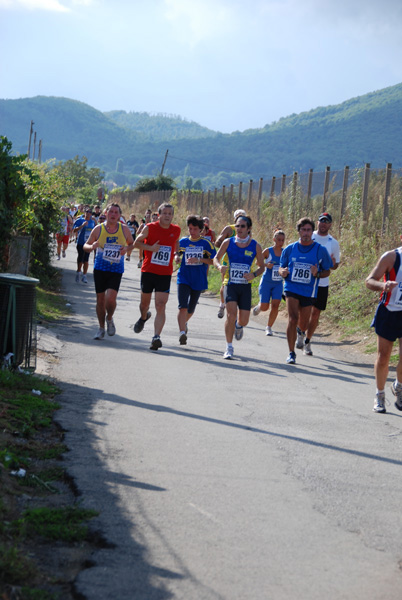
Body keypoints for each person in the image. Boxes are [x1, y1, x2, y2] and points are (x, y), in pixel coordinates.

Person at [279, 217, 332, 364]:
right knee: (292, 318)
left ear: (312, 232)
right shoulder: (290, 249)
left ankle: (301, 332)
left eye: (309, 230)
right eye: (303, 230)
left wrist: (318, 273)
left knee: (303, 323)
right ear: (299, 231)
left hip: (309, 290)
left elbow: (327, 271)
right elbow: (281, 267)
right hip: (291, 287)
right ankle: (291, 353)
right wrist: (282, 272)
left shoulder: (320, 250)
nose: (306, 233)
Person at [213, 214, 264, 359]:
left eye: (242, 226)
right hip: (230, 283)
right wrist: (219, 267)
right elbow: (216, 258)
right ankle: (229, 347)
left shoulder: (255, 246)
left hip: (245, 287)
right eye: (237, 226)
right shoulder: (228, 242)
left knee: (244, 320)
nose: (239, 229)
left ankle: (239, 326)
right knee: (230, 315)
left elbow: (262, 267)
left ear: (249, 229)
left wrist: (253, 275)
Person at [133, 202, 181, 351]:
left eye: (170, 213)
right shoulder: (150, 228)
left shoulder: (176, 229)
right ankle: (143, 317)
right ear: (159, 215)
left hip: (164, 274)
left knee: (161, 305)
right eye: (164, 213)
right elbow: (136, 243)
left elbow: (176, 243)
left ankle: (156, 337)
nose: (167, 216)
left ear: (172, 216)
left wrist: (176, 255)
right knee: (144, 305)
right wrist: (151, 248)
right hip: (148, 271)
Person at [83, 203, 134, 340]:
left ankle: (109, 318)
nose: (113, 214)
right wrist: (91, 246)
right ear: (106, 213)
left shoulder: (124, 229)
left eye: (116, 212)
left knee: (110, 298)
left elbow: (131, 243)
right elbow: (85, 245)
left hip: (116, 269)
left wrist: (126, 250)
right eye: (111, 211)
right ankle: (100, 328)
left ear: (119, 215)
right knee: (100, 300)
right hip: (100, 268)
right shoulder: (98, 229)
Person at [365, 241, 402, 413]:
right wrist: (383, 286)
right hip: (389, 311)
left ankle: (399, 386)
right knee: (384, 356)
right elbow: (369, 281)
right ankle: (380, 394)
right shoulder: (391, 257)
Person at [296, 212, 341, 355]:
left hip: (322, 283)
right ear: (318, 222)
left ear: (330, 224)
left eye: (326, 221)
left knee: (315, 314)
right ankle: (300, 333)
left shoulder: (333, 243)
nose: (323, 223)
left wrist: (333, 264)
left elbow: (335, 265)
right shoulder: (309, 235)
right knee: (303, 311)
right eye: (321, 221)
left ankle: (308, 341)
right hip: (305, 282)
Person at [176, 215, 216, 345]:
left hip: (198, 280)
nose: (191, 231)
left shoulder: (206, 244)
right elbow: (177, 252)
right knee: (183, 307)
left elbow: (214, 261)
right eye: (190, 228)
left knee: (191, 309)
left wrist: (199, 259)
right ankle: (182, 333)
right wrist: (177, 257)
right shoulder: (183, 241)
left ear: (201, 230)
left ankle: (185, 323)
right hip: (184, 278)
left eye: (194, 229)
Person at [252, 229, 285, 335]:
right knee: (265, 307)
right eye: (278, 239)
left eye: (282, 240)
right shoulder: (268, 251)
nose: (280, 242)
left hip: (278, 283)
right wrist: (266, 265)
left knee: (276, 305)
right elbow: (258, 262)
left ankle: (269, 327)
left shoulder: (285, 252)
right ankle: (259, 307)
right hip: (266, 282)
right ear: (274, 239)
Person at [215, 209, 246, 319]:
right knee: (225, 283)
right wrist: (222, 241)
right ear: (234, 218)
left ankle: (234, 308)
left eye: (242, 216)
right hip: (227, 261)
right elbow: (218, 242)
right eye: (238, 216)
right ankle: (222, 304)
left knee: (238, 284)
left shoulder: (248, 230)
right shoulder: (229, 228)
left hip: (241, 262)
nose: (240, 217)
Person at [73, 207, 96, 283]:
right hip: (81, 242)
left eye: (90, 212)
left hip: (88, 243)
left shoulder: (92, 222)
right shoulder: (79, 220)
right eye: (87, 211)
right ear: (84, 212)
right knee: (80, 258)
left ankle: (84, 275)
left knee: (86, 259)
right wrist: (82, 226)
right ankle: (78, 272)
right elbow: (74, 230)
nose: (88, 213)